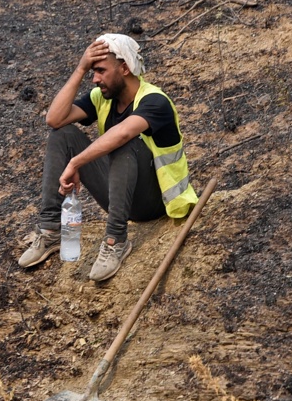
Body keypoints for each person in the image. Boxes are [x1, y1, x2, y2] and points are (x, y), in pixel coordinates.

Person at [18, 33, 198, 281]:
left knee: (125, 143)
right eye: (92, 71)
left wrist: (76, 162)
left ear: (124, 68)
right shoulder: (102, 99)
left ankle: (116, 241)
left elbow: (123, 134)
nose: (95, 79)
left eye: (101, 70)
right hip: (120, 194)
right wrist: (80, 68)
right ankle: (49, 229)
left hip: (158, 202)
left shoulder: (155, 101)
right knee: (63, 134)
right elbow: (54, 118)